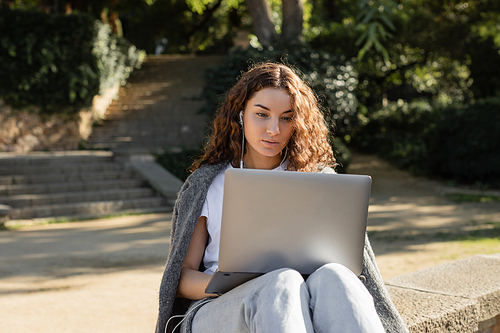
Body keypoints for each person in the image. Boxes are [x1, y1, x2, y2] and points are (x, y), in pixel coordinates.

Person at [155, 62, 408, 333]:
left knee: (337, 277)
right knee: (281, 282)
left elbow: (353, 266)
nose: (274, 129)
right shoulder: (209, 184)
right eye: (262, 114)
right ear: (240, 114)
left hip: (302, 298)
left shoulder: (319, 181)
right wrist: (236, 281)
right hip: (220, 309)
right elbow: (181, 279)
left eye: (286, 117)